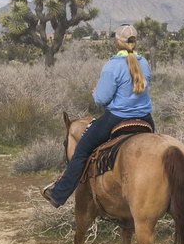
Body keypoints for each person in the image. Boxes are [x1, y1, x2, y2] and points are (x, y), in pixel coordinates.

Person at [42, 25, 153, 207]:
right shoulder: (145, 63)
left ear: (117, 41)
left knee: (81, 151)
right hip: (146, 119)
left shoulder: (112, 66)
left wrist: (95, 93)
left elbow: (101, 99)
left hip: (117, 119)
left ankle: (59, 194)